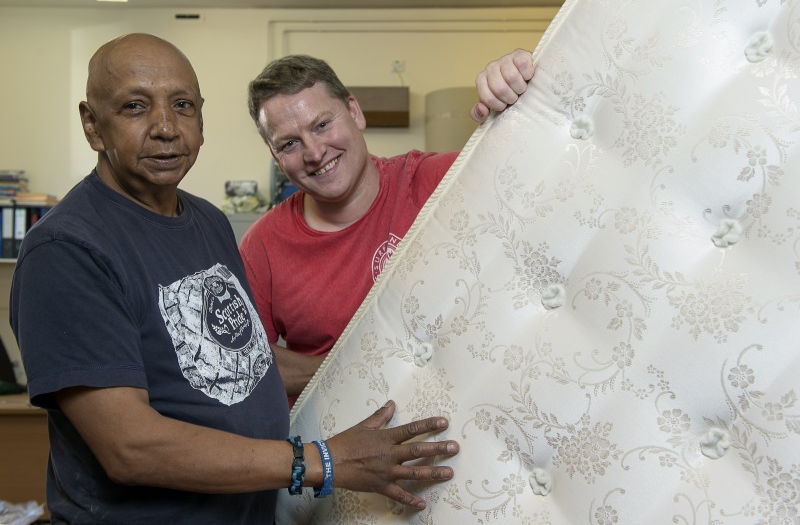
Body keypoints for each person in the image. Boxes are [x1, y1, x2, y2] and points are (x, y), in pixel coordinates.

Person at [10, 33, 461, 524]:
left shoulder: (206, 221)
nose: (165, 127)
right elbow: (130, 447)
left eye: (182, 105)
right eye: (135, 107)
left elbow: (241, 360)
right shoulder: (67, 250)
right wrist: (323, 461)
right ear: (93, 126)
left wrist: (367, 368)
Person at [240, 49, 534, 404]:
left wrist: (517, 86)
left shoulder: (435, 181)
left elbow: (537, 165)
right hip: (339, 439)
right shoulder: (262, 244)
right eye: (289, 143)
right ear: (276, 157)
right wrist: (364, 372)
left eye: (322, 125)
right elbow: (248, 360)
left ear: (354, 112)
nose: (315, 153)